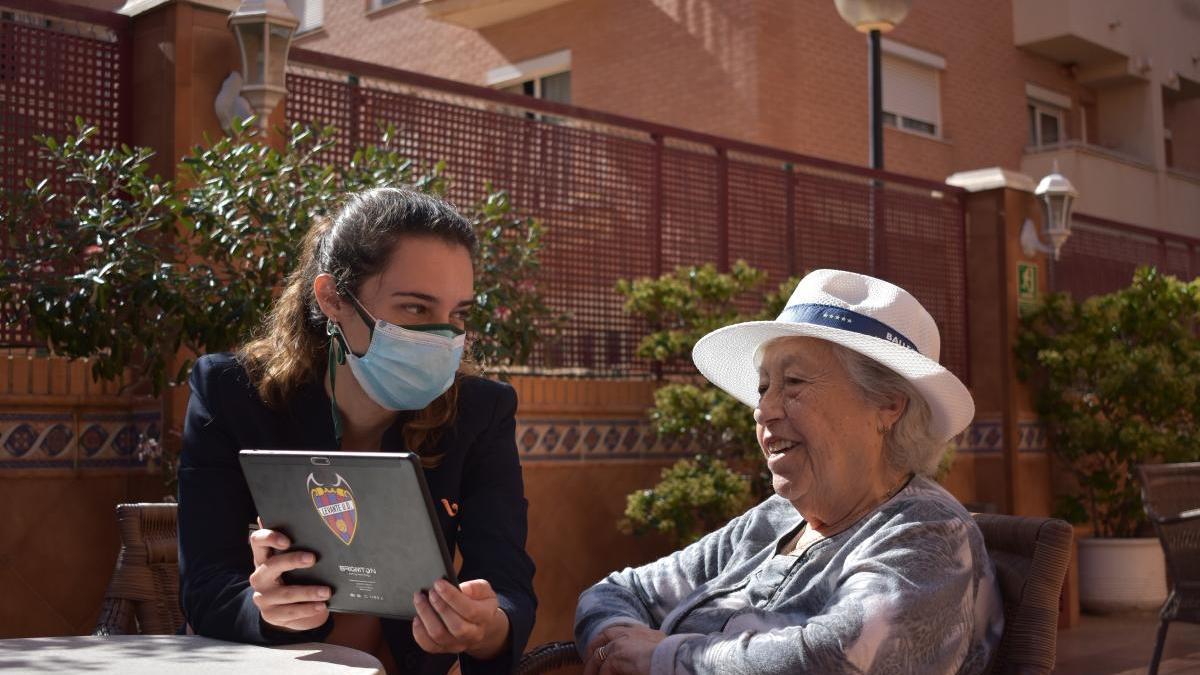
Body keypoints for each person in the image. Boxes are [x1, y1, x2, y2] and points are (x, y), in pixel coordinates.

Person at [178, 187, 536, 675]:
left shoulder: (479, 414)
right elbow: (206, 586)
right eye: (415, 308)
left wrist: (484, 627)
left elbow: (508, 586)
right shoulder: (233, 395)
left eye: (458, 315)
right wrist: (263, 609)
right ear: (333, 300)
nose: (444, 337)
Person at [575, 269, 1003, 675]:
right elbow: (618, 592)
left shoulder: (927, 534)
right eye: (763, 388)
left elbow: (834, 659)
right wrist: (617, 643)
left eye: (793, 382)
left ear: (888, 404)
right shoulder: (774, 519)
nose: (764, 409)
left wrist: (664, 659)